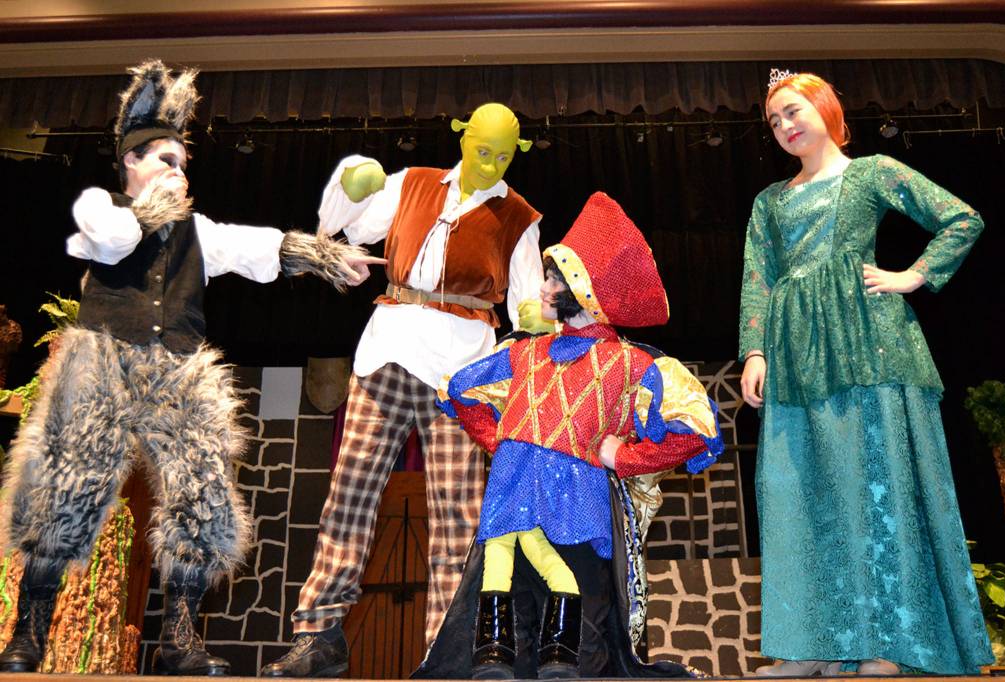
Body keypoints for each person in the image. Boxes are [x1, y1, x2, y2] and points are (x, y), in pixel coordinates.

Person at [0, 60, 383, 675]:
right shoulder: (101, 209)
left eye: (183, 165)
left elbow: (255, 247)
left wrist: (321, 256)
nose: (180, 174)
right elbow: (116, 238)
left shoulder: (198, 231)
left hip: (177, 371)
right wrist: (156, 208)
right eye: (165, 162)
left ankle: (179, 639)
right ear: (131, 163)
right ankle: (28, 635)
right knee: (62, 495)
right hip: (102, 364)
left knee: (202, 499)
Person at [261, 103, 545, 677]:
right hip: (389, 350)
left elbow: (524, 296)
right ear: (462, 139)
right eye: (481, 149)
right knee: (351, 492)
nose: (490, 163)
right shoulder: (413, 184)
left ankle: (449, 648)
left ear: (516, 154)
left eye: (503, 154)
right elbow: (352, 221)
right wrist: (354, 179)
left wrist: (541, 314)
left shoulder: (520, 217)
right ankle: (319, 634)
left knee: (458, 515)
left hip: (460, 372)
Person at [740, 70, 992, 676]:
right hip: (795, 353)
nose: (786, 127)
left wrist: (914, 275)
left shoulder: (872, 171)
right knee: (796, 495)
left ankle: (887, 643)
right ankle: (808, 646)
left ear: (825, 110)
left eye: (794, 112)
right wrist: (755, 351)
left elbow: (962, 218)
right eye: (775, 121)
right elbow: (759, 277)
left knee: (873, 491)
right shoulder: (770, 201)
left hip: (869, 346)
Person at [417, 191, 723, 679]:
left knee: (575, 640)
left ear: (584, 291)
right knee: (504, 633)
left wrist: (624, 458)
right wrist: (508, 442)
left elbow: (697, 429)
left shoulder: (631, 364)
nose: (542, 287)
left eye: (554, 278)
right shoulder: (523, 355)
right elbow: (459, 391)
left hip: (579, 504)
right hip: (511, 498)